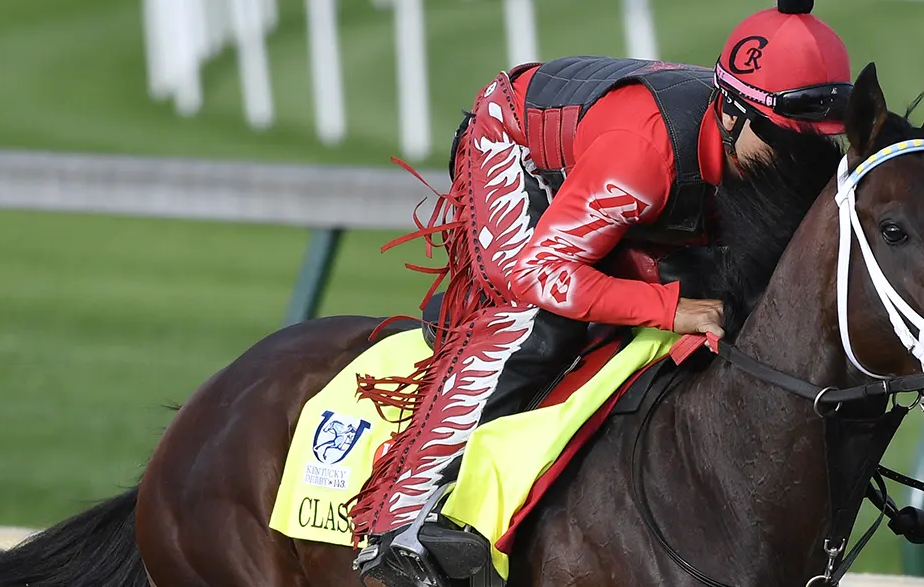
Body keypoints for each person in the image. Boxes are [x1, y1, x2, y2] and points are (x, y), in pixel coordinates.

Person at [349, 1, 853, 584]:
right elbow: (542, 271)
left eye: (818, 145)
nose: (798, 162)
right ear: (735, 116)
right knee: (537, 325)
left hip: (619, 172)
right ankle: (401, 522)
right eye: (787, 141)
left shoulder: (742, 142)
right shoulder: (644, 155)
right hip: (515, 148)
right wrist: (669, 308)